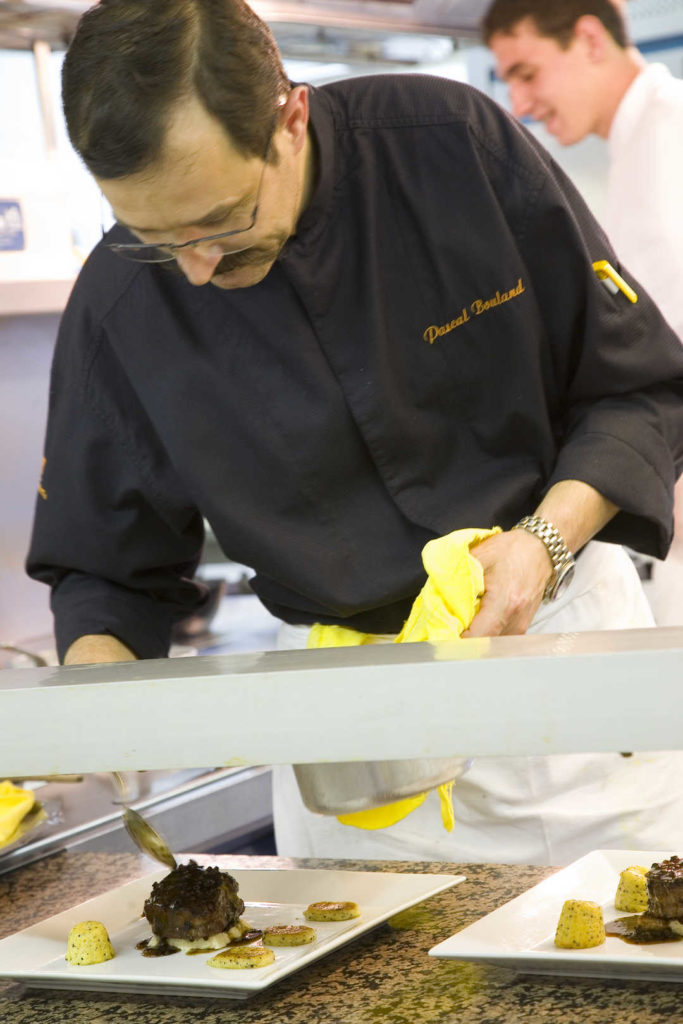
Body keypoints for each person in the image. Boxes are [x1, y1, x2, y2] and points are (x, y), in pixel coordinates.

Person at [27, 0, 683, 864]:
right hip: (350, 755)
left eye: (221, 222)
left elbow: (636, 390)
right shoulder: (118, 305)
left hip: (565, 694)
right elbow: (105, 567)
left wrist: (540, 548)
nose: (195, 267)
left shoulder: (449, 145)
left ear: (290, 119)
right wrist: (101, 684)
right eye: (154, 238)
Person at [483, 0, 683, 627]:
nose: (518, 103)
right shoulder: (645, 142)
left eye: (527, 71)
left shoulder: (665, 149)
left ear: (590, 39)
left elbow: (659, 363)